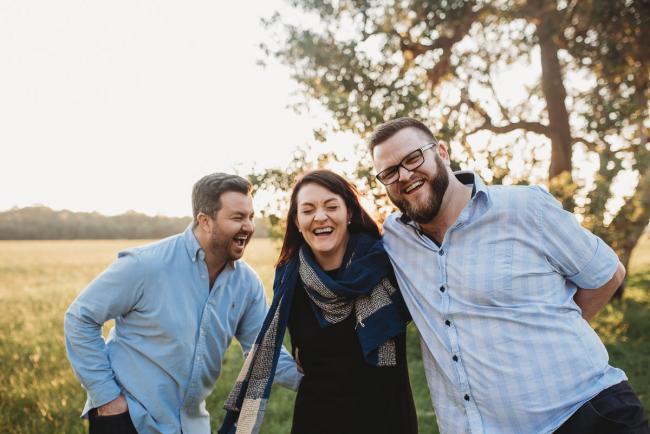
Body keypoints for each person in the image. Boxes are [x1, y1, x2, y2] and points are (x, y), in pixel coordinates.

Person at [369, 117, 650, 434]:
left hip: (588, 415)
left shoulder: (525, 207)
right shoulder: (395, 239)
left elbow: (607, 274)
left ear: (442, 153)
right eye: (390, 172)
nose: (405, 175)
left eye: (413, 158)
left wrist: (550, 333)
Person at [64, 173, 302, 434]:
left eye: (250, 217)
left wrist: (321, 378)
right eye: (237, 217)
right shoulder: (146, 265)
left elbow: (264, 355)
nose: (248, 227)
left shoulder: (247, 285)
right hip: (128, 419)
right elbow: (80, 317)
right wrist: (108, 400)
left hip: (190, 425)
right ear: (205, 221)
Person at [220, 170, 417, 434]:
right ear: (298, 222)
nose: (320, 217)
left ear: (348, 212)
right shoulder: (291, 280)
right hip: (316, 420)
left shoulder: (388, 265)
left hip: (387, 419)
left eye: (331, 206)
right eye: (308, 209)